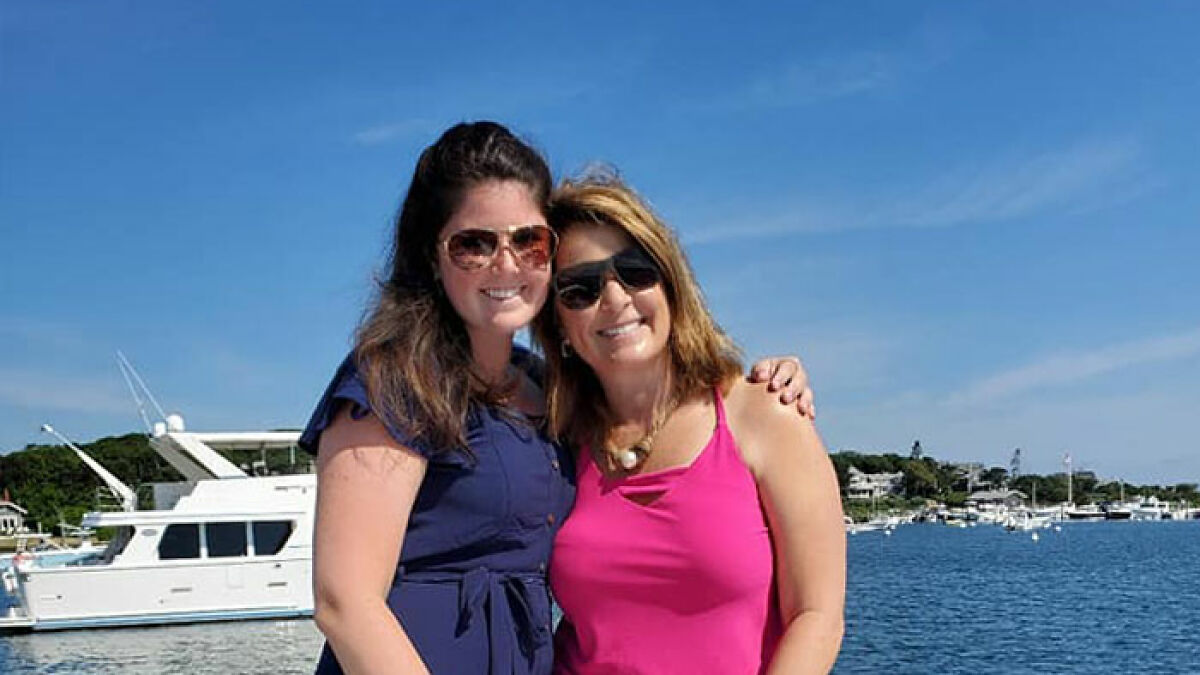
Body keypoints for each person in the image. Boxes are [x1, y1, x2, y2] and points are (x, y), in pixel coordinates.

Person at [300, 121, 815, 674]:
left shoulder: (551, 396)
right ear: (432, 256)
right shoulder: (396, 382)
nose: (507, 263)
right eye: (474, 244)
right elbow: (345, 603)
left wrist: (773, 383)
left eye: (530, 241)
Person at [534, 172, 846, 674]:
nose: (614, 298)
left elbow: (818, 617)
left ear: (671, 285)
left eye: (634, 271)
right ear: (559, 324)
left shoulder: (765, 415)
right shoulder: (556, 437)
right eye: (580, 289)